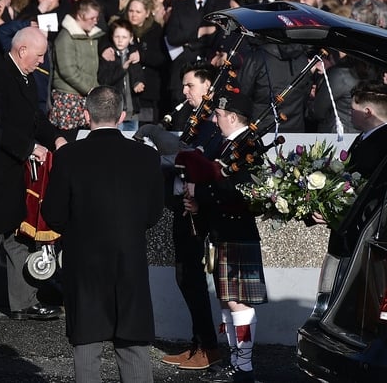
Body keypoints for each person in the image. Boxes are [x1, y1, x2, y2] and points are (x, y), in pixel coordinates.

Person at [41, 85, 164, 383]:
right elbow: (153, 215)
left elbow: (54, 215)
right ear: (122, 116)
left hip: (84, 264)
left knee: (86, 346)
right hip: (129, 260)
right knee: (133, 346)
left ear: (85, 115)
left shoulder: (69, 156)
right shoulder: (147, 157)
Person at [0, 27, 67, 321]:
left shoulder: (26, 78)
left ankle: (24, 300)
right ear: (22, 50)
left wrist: (56, 138)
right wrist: (29, 146)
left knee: (19, 236)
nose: (42, 62)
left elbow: (34, 118)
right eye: (39, 55)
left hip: (18, 175)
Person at [181, 89, 268, 383]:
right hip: (221, 232)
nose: (214, 120)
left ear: (232, 116)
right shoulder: (226, 144)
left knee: (238, 302)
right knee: (226, 301)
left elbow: (239, 190)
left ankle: (244, 366)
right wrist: (197, 202)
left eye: (218, 115)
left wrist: (199, 192)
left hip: (237, 231)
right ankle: (235, 360)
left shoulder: (249, 146)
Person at [156, 61, 224, 371]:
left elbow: (201, 163)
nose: (184, 91)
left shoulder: (213, 125)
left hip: (198, 211)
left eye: (190, 86)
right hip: (184, 206)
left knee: (192, 278)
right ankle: (200, 342)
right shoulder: (197, 121)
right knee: (186, 277)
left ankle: (208, 346)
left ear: (208, 88)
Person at [165, 0, 230, 111]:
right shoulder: (180, 5)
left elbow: (223, 34)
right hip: (184, 69)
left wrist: (189, 41)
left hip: (210, 68)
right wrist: (199, 32)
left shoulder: (222, 4)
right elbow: (173, 37)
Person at [50, 0, 103, 130]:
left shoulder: (91, 36)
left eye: (97, 18)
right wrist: (89, 89)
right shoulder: (65, 37)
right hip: (68, 98)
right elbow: (67, 70)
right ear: (80, 15)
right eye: (92, 18)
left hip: (86, 97)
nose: (96, 21)